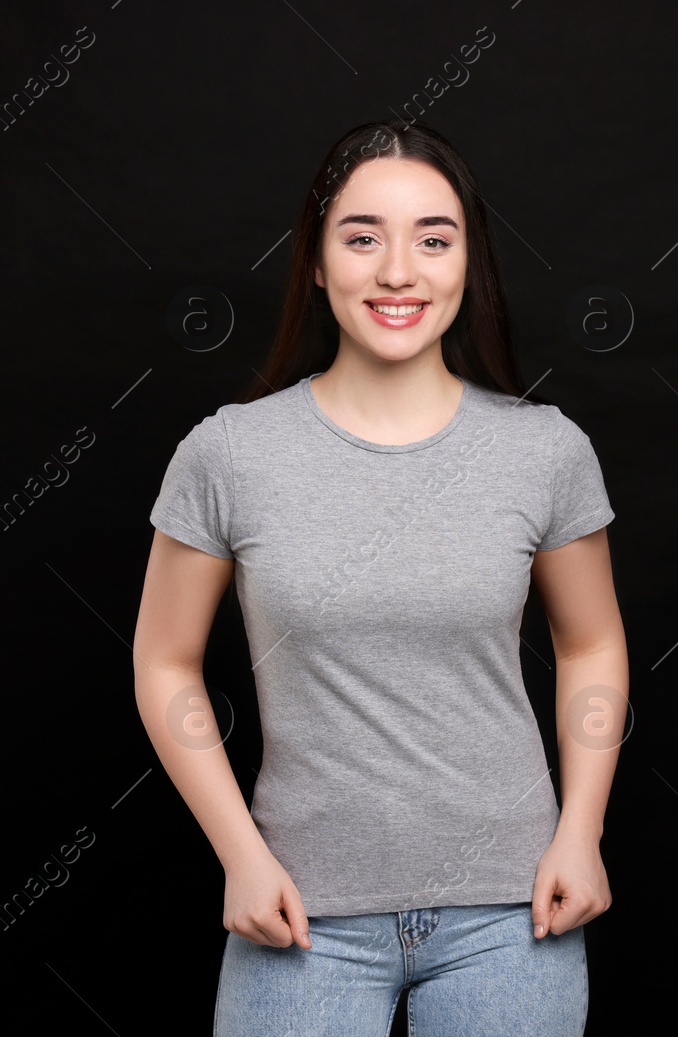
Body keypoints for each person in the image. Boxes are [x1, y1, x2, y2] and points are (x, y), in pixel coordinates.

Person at [131, 119, 626, 1035]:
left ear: (467, 263)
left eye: (433, 239)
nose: (399, 271)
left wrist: (581, 831)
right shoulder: (228, 455)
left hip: (512, 912)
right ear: (317, 263)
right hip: (301, 916)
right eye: (362, 237)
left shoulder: (544, 450)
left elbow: (590, 644)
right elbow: (164, 662)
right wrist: (239, 853)